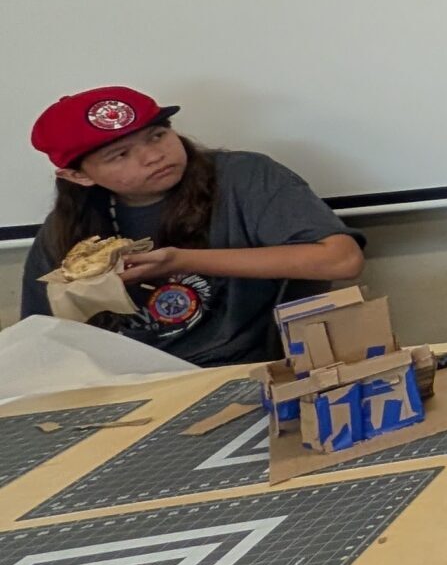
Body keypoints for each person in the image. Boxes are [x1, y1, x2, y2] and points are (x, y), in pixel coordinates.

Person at [19, 86, 365, 366]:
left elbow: (341, 259)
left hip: (237, 370)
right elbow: (43, 341)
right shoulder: (68, 231)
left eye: (157, 136)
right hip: (126, 385)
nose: (154, 156)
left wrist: (180, 261)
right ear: (77, 176)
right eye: (120, 155)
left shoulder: (243, 177)